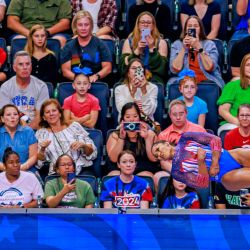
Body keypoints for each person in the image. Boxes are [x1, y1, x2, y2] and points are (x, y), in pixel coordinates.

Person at [152, 132, 250, 192]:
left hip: (231, 155)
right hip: (224, 176)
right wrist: (200, 162)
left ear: (166, 143)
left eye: (158, 149)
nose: (159, 154)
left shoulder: (186, 137)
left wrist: (214, 163)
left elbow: (215, 139)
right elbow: (202, 184)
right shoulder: (176, 172)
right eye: (157, 156)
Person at [36, 99, 97, 176]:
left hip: (80, 168)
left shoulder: (74, 127)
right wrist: (42, 149)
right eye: (47, 112)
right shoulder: (42, 133)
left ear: (60, 114)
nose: (51, 114)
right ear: (44, 117)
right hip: (57, 172)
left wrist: (83, 145)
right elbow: (40, 162)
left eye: (54, 110)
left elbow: (92, 152)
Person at [106, 102, 160, 177]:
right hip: (120, 171)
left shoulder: (150, 134)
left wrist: (147, 138)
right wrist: (121, 138)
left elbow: (154, 159)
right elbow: (114, 159)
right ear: (123, 119)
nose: (131, 119)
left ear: (139, 118)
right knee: (114, 175)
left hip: (144, 170)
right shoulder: (115, 135)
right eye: (128, 117)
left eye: (135, 116)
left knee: (146, 176)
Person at [170, 15, 224, 89]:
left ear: (200, 29)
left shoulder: (209, 44)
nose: (192, 28)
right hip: (184, 79)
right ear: (185, 30)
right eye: (189, 26)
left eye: (196, 26)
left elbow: (210, 68)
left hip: (207, 79)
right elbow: (175, 70)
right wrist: (183, 48)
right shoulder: (177, 44)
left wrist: (199, 47)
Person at [0, 51, 50, 130]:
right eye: (20, 64)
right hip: (12, 131)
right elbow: (6, 118)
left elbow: (40, 117)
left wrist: (27, 133)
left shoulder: (41, 86)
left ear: (31, 66)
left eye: (27, 64)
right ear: (14, 67)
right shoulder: (5, 88)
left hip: (35, 130)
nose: (25, 67)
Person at [214, 103, 250, 209]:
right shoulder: (230, 135)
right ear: (238, 117)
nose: (245, 118)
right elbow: (228, 159)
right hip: (236, 170)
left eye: (248, 115)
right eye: (242, 115)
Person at [61, 10, 112, 82]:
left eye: (86, 25)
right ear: (75, 26)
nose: (83, 28)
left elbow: (107, 68)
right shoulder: (68, 46)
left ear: (91, 26)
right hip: (75, 83)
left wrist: (96, 76)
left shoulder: (101, 44)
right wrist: (81, 80)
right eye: (80, 25)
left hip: (95, 82)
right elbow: (65, 71)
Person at [120, 11, 168, 83]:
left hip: (153, 77)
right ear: (138, 25)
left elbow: (162, 69)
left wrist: (152, 48)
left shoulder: (161, 42)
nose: (145, 25)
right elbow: (123, 68)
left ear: (153, 25)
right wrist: (137, 50)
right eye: (142, 22)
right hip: (132, 76)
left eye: (149, 23)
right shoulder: (129, 41)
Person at [6, 0, 71, 47]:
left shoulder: (63, 1)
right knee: (18, 40)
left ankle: (57, 65)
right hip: (25, 32)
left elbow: (65, 23)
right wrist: (30, 34)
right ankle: (22, 65)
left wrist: (46, 33)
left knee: (59, 40)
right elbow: (11, 22)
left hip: (52, 33)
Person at [217, 53, 250, 136]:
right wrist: (242, 124)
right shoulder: (233, 85)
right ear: (243, 68)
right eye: (248, 65)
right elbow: (223, 110)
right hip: (233, 124)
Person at [0, 104, 38, 174]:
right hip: (3, 171)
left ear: (19, 117)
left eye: (15, 114)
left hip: (26, 170)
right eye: (8, 115)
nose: (12, 117)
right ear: (2, 119)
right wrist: (7, 169)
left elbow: (33, 156)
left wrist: (21, 168)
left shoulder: (28, 131)